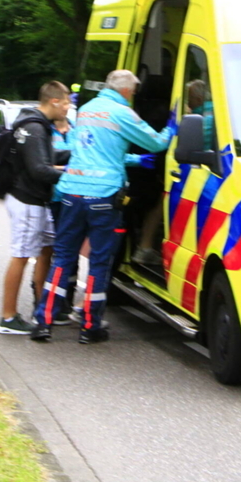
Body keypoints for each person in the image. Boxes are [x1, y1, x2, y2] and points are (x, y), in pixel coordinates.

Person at [31, 69, 176, 344]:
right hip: (103, 196)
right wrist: (172, 126)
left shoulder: (86, 109)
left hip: (72, 192)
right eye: (133, 92)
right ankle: (90, 326)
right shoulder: (123, 112)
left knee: (62, 259)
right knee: (98, 261)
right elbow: (156, 143)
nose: (133, 97)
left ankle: (43, 321)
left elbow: (95, 151)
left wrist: (132, 160)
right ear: (126, 91)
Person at [0, 81, 72, 335]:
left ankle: (43, 307)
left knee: (46, 249)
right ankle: (8, 317)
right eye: (66, 103)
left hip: (33, 200)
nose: (68, 108)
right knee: (21, 255)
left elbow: (47, 158)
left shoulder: (35, 124)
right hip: (27, 201)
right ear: (54, 102)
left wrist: (78, 155)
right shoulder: (35, 128)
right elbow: (39, 169)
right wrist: (74, 174)